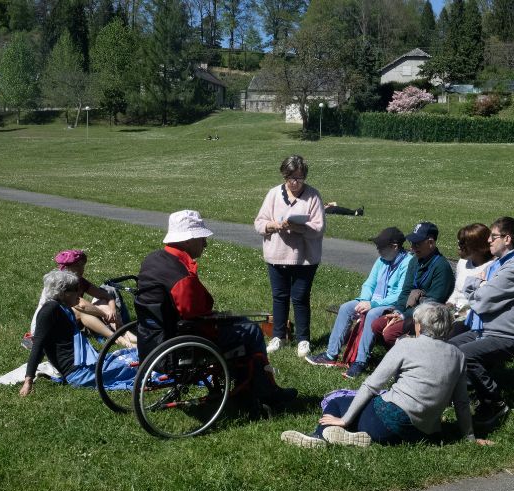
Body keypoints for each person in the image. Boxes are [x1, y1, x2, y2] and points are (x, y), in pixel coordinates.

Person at [137, 209, 296, 407]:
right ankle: (264, 390)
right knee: (252, 330)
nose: (205, 243)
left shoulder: (153, 259)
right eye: (201, 238)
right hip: (181, 342)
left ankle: (244, 382)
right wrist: (218, 318)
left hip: (151, 338)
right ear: (187, 240)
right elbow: (194, 316)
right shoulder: (181, 276)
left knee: (240, 325)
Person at [281, 304, 490, 448]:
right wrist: (469, 437)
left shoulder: (406, 345)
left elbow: (372, 385)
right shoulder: (458, 355)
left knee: (338, 402)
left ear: (419, 326)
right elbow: (461, 402)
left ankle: (319, 436)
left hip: (390, 421)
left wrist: (344, 419)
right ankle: (355, 436)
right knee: (369, 411)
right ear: (448, 328)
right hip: (425, 432)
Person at [448, 216, 514, 428]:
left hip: (508, 335)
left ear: (507, 239)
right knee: (448, 348)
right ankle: (457, 396)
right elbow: (474, 289)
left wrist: (480, 286)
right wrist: (480, 284)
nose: (488, 241)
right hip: (486, 330)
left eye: (493, 237)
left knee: (466, 355)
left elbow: (483, 301)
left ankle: (494, 402)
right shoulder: (498, 264)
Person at [305, 227, 412, 378]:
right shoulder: (382, 260)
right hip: (373, 300)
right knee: (346, 308)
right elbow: (369, 284)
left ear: (395, 247)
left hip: (392, 304)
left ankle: (360, 361)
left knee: (373, 314)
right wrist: (364, 300)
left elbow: (399, 294)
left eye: (381, 247)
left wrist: (372, 305)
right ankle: (330, 355)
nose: (378, 249)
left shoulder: (407, 263)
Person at [20, 270, 137, 397]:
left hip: (86, 366)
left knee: (134, 354)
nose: (78, 294)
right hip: (80, 373)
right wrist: (28, 382)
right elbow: (38, 345)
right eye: (75, 289)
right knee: (138, 364)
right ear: (62, 293)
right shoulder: (49, 310)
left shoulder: (62, 307)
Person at [254, 155, 326, 358]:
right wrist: (274, 225)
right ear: (284, 176)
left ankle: (303, 339)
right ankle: (279, 336)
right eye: (291, 178)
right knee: (279, 297)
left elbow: (319, 228)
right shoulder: (273, 194)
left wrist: (299, 227)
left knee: (300, 297)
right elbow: (259, 223)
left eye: (299, 178)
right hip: (276, 255)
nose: (295, 183)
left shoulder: (313, 196)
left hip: (305, 259)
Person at [370, 221, 455, 350]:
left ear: (431, 243)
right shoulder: (414, 261)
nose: (412, 248)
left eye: (417, 244)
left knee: (390, 333)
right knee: (376, 324)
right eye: (412, 243)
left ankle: (407, 361)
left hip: (428, 316)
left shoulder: (441, 267)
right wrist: (398, 311)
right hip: (409, 311)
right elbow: (406, 291)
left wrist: (403, 316)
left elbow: (432, 303)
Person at [29, 249, 135, 347]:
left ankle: (126, 335)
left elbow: (106, 296)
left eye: (82, 265)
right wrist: (105, 314)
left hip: (67, 321)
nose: (82, 269)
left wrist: (112, 310)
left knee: (102, 301)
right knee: (80, 310)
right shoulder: (61, 282)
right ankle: (117, 338)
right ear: (67, 267)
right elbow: (80, 304)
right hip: (47, 327)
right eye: (78, 266)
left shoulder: (79, 281)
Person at [445, 223, 495, 337]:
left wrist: (456, 315)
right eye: (458, 241)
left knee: (448, 332)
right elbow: (457, 292)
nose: (458, 245)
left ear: (478, 247)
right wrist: (448, 305)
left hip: (471, 316)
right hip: (454, 311)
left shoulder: (491, 268)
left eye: (462, 243)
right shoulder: (462, 263)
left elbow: (480, 302)